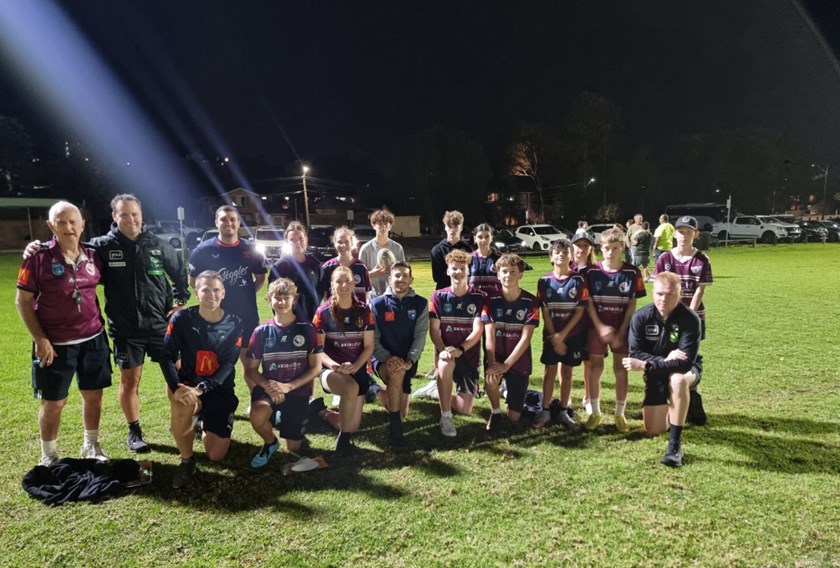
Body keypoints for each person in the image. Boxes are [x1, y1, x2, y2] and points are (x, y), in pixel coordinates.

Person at [16, 201, 112, 465]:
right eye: (61, 222)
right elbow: (22, 302)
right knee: (54, 402)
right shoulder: (37, 258)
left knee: (94, 396)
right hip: (55, 344)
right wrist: (40, 339)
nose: (68, 227)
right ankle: (49, 455)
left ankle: (91, 445)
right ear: (51, 226)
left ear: (82, 224)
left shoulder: (94, 255)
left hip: (93, 339)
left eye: (73, 221)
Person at [161, 271, 242, 488]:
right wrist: (176, 386)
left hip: (218, 389)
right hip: (189, 385)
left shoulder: (235, 322)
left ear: (223, 293)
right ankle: (187, 461)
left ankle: (202, 422)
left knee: (216, 455)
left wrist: (202, 388)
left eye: (216, 290)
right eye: (205, 290)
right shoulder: (182, 319)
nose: (211, 295)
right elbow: (167, 356)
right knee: (181, 402)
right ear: (197, 293)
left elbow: (227, 366)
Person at [622, 272, 701, 467]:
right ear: (652, 292)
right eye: (659, 294)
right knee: (653, 430)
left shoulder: (690, 319)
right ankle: (686, 403)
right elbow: (635, 353)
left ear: (680, 294)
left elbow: (684, 363)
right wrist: (662, 360)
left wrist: (648, 365)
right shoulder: (641, 317)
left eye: (669, 294)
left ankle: (675, 446)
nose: (663, 299)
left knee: (678, 380)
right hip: (657, 372)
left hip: (688, 369)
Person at [245, 278, 322, 467]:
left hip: (297, 390)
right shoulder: (261, 331)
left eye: (286, 297)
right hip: (269, 388)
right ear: (269, 300)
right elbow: (251, 369)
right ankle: (270, 442)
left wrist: (288, 387)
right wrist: (269, 387)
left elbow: (316, 367)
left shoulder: (308, 330)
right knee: (257, 415)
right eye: (276, 298)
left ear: (294, 299)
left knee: (293, 448)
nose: (281, 302)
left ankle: (284, 415)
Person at [188, 205, 266, 380]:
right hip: (216, 317)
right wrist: (210, 298)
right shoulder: (202, 251)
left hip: (246, 315)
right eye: (223, 219)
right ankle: (219, 403)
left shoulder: (251, 249)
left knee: (250, 365)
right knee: (217, 363)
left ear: (238, 223)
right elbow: (193, 281)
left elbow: (261, 278)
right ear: (216, 222)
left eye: (232, 219)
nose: (228, 223)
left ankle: (255, 403)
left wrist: (244, 293)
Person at [584, 227, 646, 432]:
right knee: (595, 368)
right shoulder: (591, 272)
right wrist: (600, 327)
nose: (611, 252)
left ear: (623, 247)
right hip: (596, 328)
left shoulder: (632, 272)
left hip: (622, 328)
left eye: (616, 248)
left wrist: (621, 331)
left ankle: (620, 413)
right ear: (600, 248)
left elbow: (631, 304)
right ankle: (595, 412)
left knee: (620, 369)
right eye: (607, 248)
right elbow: (589, 302)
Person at [654, 215, 713, 425]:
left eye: (689, 232)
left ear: (695, 235)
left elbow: (699, 290)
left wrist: (687, 315)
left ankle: (691, 400)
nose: (684, 236)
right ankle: (668, 404)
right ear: (675, 234)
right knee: (667, 356)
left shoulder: (702, 259)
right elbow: (659, 289)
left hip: (692, 318)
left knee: (689, 359)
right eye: (681, 232)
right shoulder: (665, 259)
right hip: (667, 318)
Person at [312, 266, 375, 454]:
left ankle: (320, 410)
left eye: (347, 280)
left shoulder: (364, 311)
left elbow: (369, 346)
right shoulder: (323, 312)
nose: (343, 285)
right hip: (330, 371)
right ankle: (344, 442)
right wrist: (335, 366)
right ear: (332, 285)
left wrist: (355, 366)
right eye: (338, 281)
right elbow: (318, 350)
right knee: (350, 388)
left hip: (356, 369)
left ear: (354, 282)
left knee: (351, 424)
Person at [370, 262, 429, 447]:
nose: (401, 279)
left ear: (411, 279)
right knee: (396, 375)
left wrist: (410, 360)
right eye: (397, 275)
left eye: (405, 275)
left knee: (402, 410)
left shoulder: (421, 303)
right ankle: (395, 428)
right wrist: (388, 358)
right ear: (389, 279)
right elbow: (374, 340)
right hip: (383, 360)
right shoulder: (377, 304)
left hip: (408, 362)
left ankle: (375, 391)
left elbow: (420, 336)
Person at [428, 250, 485, 437]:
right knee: (445, 362)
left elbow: (478, 330)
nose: (458, 272)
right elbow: (434, 330)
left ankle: (436, 392)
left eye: (462, 268)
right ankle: (445, 416)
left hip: (468, 356)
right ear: (447, 271)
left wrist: (461, 349)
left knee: (465, 409)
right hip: (446, 352)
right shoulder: (437, 296)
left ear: (468, 271)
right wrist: (443, 350)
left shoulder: (479, 297)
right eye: (454, 268)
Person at [481, 253, 540, 434]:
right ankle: (495, 412)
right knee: (491, 377)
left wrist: (506, 365)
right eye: (504, 271)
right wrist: (492, 363)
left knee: (514, 417)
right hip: (496, 355)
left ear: (521, 274)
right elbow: (489, 335)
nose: (508, 275)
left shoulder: (531, 302)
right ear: (498, 274)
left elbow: (526, 338)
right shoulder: (489, 300)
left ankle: (520, 401)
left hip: (518, 360)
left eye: (513, 271)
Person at [533, 239, 588, 431]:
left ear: (571, 256)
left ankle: (564, 410)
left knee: (567, 372)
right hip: (551, 335)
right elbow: (545, 311)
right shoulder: (544, 281)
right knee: (549, 372)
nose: (561, 255)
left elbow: (579, 311)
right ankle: (545, 409)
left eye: (565, 252)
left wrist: (562, 336)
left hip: (573, 335)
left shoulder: (578, 280)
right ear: (551, 257)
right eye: (557, 252)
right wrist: (554, 336)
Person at [268, 221, 324, 323]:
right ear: (286, 242)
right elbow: (273, 298)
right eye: (292, 240)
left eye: (301, 239)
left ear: (306, 239)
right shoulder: (279, 267)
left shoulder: (315, 264)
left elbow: (321, 294)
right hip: (288, 323)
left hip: (312, 323)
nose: (297, 242)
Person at [570, 228, 597, 415]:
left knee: (589, 363)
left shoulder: (596, 271)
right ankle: (567, 397)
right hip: (570, 324)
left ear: (590, 249)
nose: (581, 249)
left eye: (585, 246)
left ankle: (588, 397)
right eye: (578, 245)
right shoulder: (565, 268)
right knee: (568, 364)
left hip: (589, 323)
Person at [358, 208, 405, 297]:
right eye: (379, 224)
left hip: (393, 295)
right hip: (373, 295)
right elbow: (360, 275)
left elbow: (403, 272)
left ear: (390, 226)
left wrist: (394, 271)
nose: (383, 227)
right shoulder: (365, 249)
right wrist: (373, 273)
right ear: (373, 225)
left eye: (386, 224)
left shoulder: (397, 248)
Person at [320, 226, 371, 304]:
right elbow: (324, 296)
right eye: (339, 242)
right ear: (334, 243)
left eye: (346, 242)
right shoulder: (327, 268)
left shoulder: (361, 267)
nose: (343, 245)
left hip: (358, 314)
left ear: (352, 243)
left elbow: (367, 294)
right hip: (335, 313)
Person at [430, 210, 473, 290]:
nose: (452, 230)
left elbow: (471, 274)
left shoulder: (468, 249)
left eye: (456, 226)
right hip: (444, 292)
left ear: (461, 228)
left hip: (464, 292)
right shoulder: (437, 250)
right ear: (445, 227)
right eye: (450, 226)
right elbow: (437, 277)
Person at [468, 223, 502, 298]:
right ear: (475, 239)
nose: (483, 240)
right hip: (473, 301)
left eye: (487, 236)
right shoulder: (468, 258)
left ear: (491, 238)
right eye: (480, 237)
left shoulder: (499, 259)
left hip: (494, 300)